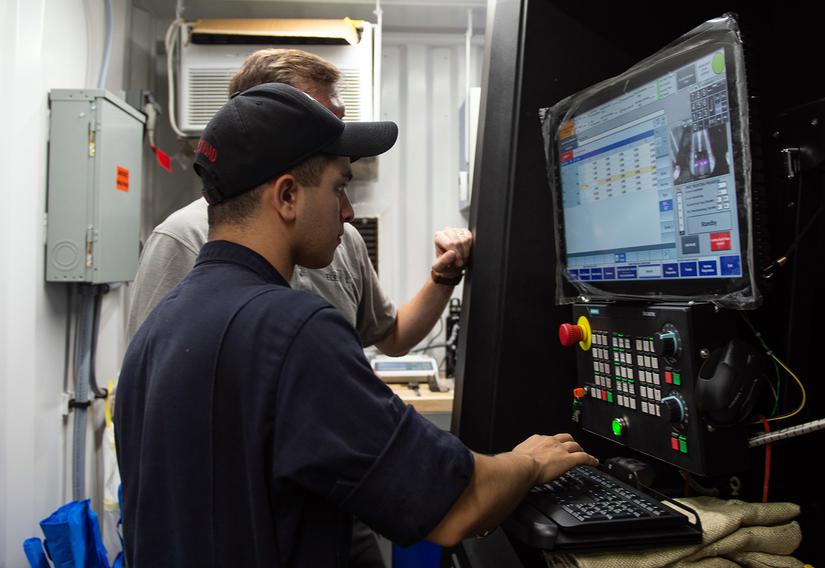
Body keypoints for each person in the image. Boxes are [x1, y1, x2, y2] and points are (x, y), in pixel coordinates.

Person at [114, 82, 597, 567]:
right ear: (286, 196)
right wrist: (529, 463)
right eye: (339, 188)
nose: (347, 213)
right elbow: (455, 505)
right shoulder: (292, 330)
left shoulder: (157, 331)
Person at [126, 48, 472, 358]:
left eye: (338, 122)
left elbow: (391, 336)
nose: (338, 139)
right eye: (320, 120)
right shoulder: (183, 238)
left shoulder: (343, 240)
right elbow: (152, 380)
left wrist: (443, 276)